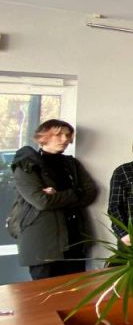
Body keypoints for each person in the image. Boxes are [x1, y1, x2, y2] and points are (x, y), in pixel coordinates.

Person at [10, 119, 97, 280]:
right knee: (45, 292)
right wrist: (74, 193)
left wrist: (58, 195)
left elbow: (90, 193)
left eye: (68, 135)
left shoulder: (71, 164)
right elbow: (42, 201)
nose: (65, 139)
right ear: (43, 136)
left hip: (74, 239)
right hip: (43, 242)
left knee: (75, 290)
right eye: (58, 135)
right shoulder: (26, 164)